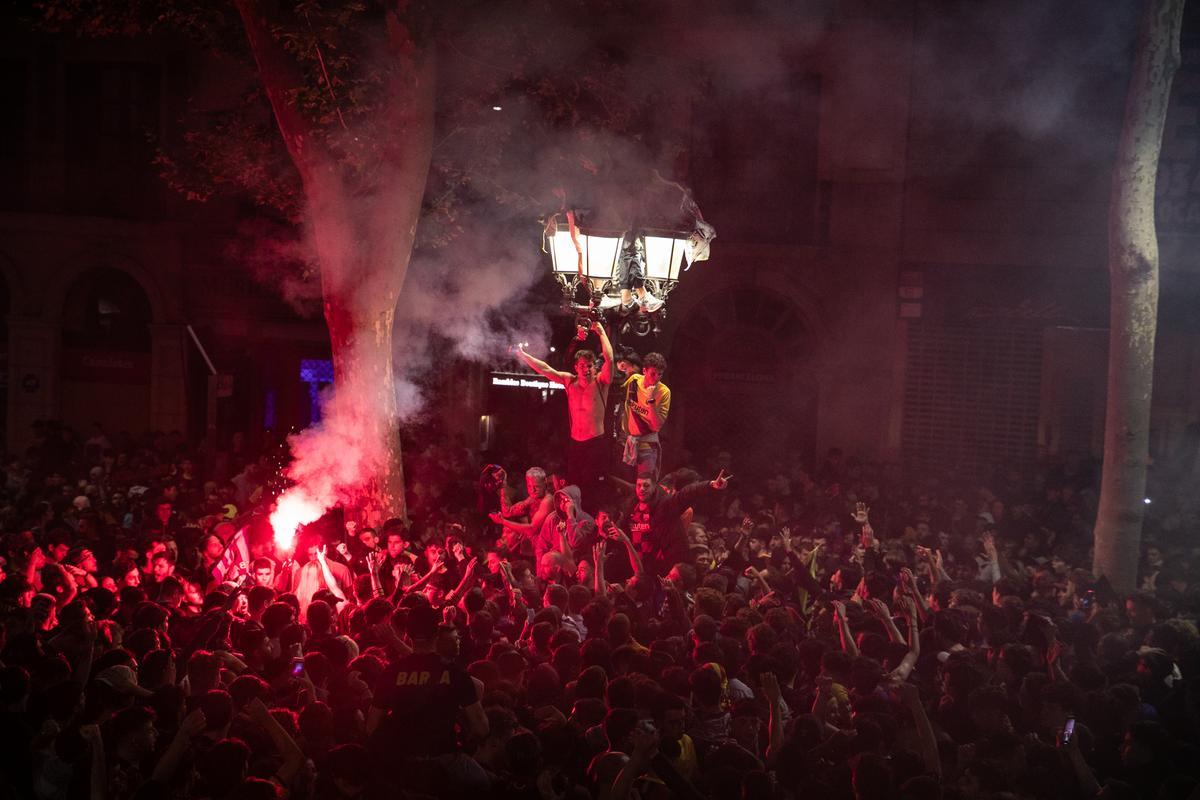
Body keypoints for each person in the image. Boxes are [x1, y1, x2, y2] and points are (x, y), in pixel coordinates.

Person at [366, 603, 488, 793]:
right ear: (436, 633)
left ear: (408, 633)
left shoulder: (390, 673)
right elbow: (481, 727)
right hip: (445, 764)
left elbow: (372, 727)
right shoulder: (454, 673)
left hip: (403, 766)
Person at [515, 321, 614, 504]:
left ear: (595, 367)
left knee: (594, 488)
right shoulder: (570, 382)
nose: (586, 369)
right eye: (583, 365)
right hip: (576, 444)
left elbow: (610, 359)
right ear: (576, 367)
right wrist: (523, 355)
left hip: (595, 443)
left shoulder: (601, 382)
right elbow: (545, 369)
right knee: (575, 487)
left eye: (590, 365)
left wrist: (600, 332)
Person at [621, 352, 672, 481]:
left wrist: (651, 402)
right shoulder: (633, 381)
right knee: (626, 485)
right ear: (644, 371)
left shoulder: (664, 392)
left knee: (645, 485)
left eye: (660, 374)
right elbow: (617, 388)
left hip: (648, 446)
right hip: (627, 443)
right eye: (653, 374)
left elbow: (656, 426)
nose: (656, 378)